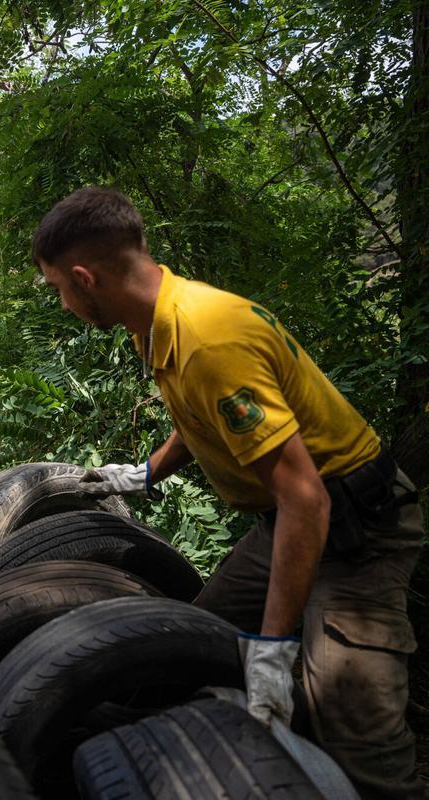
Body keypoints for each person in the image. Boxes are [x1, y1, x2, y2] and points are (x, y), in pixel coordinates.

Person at [34, 187, 422, 799]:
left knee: (354, 718)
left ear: (85, 278)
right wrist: (146, 472)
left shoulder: (208, 339)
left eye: (59, 287)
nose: (63, 303)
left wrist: (272, 649)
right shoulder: (157, 318)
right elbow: (197, 417)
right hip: (287, 522)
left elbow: (307, 499)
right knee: (195, 642)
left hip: (357, 529)